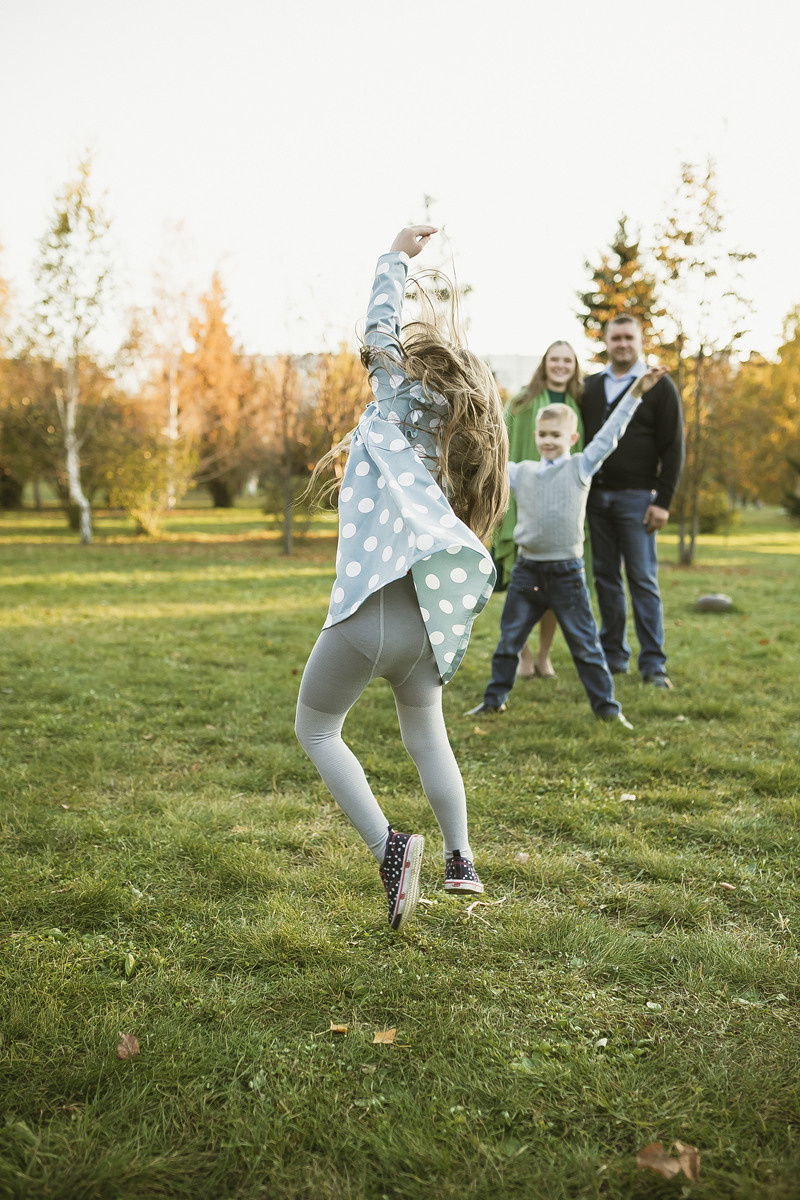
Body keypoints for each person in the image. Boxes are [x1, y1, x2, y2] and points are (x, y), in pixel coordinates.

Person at [295, 224, 509, 933]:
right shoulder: (462, 445)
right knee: (427, 735)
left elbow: (376, 326)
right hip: (423, 629)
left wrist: (395, 254)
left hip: (365, 617)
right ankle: (462, 859)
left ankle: (390, 848)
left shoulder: (393, 397)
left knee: (318, 727)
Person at [466, 364, 668, 724]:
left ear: (572, 439)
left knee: (586, 648)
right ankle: (494, 699)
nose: (547, 440)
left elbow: (610, 434)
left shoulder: (581, 467)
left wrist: (636, 393)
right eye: (542, 434)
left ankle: (607, 710)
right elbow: (487, 456)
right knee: (508, 642)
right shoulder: (521, 471)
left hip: (567, 574)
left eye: (555, 435)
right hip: (528, 571)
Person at [582, 316, 684, 688]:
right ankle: (613, 656)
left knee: (642, 579)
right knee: (606, 579)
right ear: (606, 342)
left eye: (629, 338)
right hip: (596, 498)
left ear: (640, 341)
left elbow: (674, 447)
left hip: (638, 499)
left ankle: (654, 664)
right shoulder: (591, 387)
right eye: (616, 338)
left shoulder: (659, 386)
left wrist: (663, 500)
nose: (622, 344)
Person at [492, 342, 584, 680]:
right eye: (554, 360)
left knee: (554, 589)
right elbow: (499, 440)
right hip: (522, 498)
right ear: (545, 364)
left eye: (567, 361)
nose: (560, 366)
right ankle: (523, 657)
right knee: (519, 583)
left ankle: (544, 655)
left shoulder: (578, 406)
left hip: (561, 505)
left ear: (575, 366)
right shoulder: (522, 402)